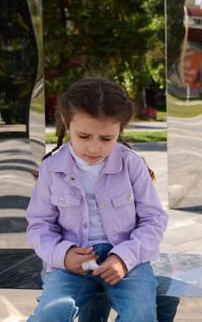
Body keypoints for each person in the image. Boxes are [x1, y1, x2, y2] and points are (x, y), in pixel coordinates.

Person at [26, 77, 169, 321]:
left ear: (120, 130)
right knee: (50, 315)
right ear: (65, 122)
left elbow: (154, 219)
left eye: (106, 139)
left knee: (140, 315)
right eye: (83, 136)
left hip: (127, 260)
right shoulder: (51, 169)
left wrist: (124, 258)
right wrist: (63, 256)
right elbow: (39, 226)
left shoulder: (131, 164)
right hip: (71, 265)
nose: (94, 148)